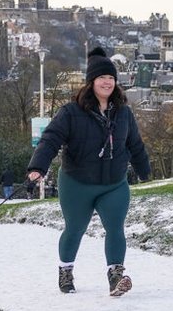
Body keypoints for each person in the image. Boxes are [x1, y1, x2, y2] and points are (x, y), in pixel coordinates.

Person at [26, 47, 151, 297]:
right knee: (75, 228)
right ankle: (66, 270)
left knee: (116, 228)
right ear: (91, 82)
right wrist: (38, 166)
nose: (107, 82)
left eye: (111, 78)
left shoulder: (124, 113)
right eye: (102, 78)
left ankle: (116, 276)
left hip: (113, 183)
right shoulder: (71, 112)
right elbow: (50, 139)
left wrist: (144, 170)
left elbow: (134, 144)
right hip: (77, 182)